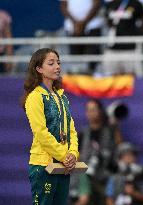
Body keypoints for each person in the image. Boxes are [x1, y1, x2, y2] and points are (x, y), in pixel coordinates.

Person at [21, 48, 79, 205]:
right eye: (51, 63)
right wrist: (64, 156)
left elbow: (71, 130)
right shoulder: (34, 97)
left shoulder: (62, 96)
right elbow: (41, 133)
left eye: (58, 63)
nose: (57, 67)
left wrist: (73, 154)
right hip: (43, 166)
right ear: (39, 69)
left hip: (62, 166)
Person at [70, 98, 122, 205]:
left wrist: (114, 125)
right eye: (88, 110)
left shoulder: (110, 131)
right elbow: (75, 157)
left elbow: (120, 148)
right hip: (85, 178)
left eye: (93, 110)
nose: (90, 113)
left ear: (100, 111)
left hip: (105, 178)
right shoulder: (83, 134)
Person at [60, 0, 104, 74]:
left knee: (92, 59)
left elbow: (96, 4)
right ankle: (77, 81)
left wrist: (83, 23)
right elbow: (64, 5)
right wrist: (75, 23)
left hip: (92, 26)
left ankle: (92, 78)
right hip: (72, 28)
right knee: (75, 59)